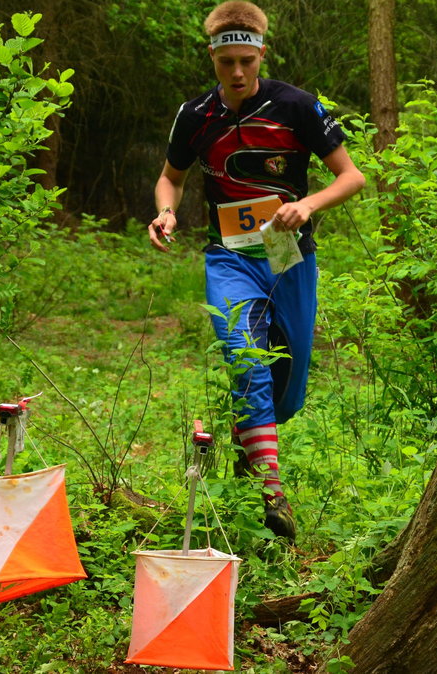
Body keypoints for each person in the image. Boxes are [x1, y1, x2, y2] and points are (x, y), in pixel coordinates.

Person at [148, 1, 364, 540]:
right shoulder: (195, 115)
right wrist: (166, 210)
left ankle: (251, 444)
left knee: (286, 391)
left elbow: (351, 177)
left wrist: (309, 205)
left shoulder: (296, 106)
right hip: (228, 257)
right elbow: (169, 177)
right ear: (213, 59)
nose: (238, 72)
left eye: (247, 60)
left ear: (262, 54)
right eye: (228, 63)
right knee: (246, 357)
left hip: (288, 256)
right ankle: (274, 494)